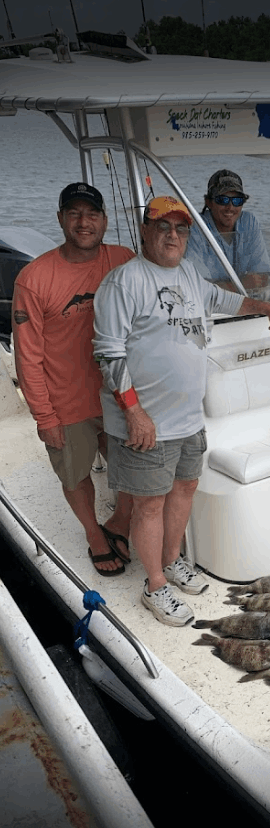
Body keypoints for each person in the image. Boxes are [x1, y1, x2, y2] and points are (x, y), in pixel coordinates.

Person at [93, 195, 270, 626]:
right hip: (147, 423)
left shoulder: (189, 275)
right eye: (163, 227)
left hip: (188, 419)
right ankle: (155, 585)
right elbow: (108, 355)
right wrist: (134, 413)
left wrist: (268, 307)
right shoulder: (124, 282)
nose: (173, 236)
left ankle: (171, 561)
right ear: (145, 231)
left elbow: (227, 302)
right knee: (148, 506)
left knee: (183, 491)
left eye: (181, 229)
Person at [12, 182, 134, 576]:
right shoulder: (34, 278)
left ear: (105, 220)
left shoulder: (123, 259)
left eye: (92, 214)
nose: (84, 222)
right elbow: (27, 355)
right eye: (75, 214)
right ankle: (95, 537)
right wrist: (44, 417)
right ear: (61, 218)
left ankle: (118, 522)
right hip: (65, 401)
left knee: (133, 467)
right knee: (76, 474)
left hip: (118, 394)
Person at [185, 169, 270, 296]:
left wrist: (222, 286)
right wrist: (245, 283)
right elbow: (200, 288)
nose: (230, 207)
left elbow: (262, 279)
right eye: (222, 200)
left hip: (245, 302)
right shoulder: (195, 227)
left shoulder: (249, 222)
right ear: (209, 202)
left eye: (237, 200)